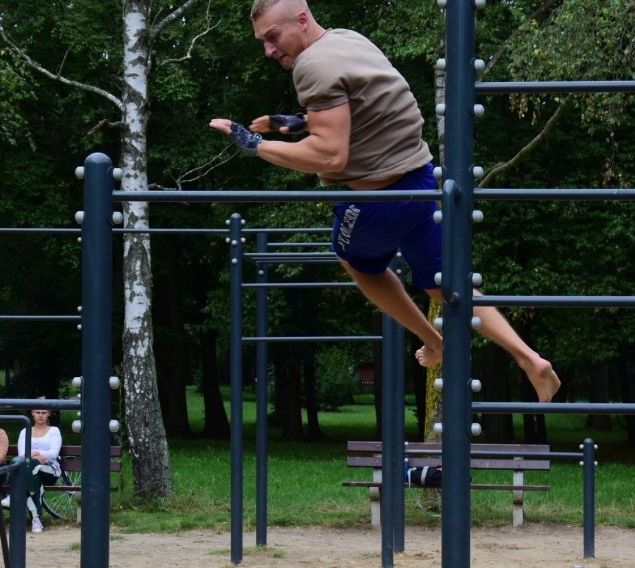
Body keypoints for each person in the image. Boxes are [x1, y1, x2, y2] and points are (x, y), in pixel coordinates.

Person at [209, 0, 560, 403]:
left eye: (273, 37)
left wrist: (256, 146)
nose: (269, 50)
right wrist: (298, 122)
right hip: (420, 180)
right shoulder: (348, 40)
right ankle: (530, 359)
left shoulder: (311, 66)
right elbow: (369, 103)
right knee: (444, 284)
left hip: (378, 197)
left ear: (302, 20)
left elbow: (330, 155)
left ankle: (435, 341)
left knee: (354, 259)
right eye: (262, 42)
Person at [0, 401, 62, 534]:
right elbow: (21, 454)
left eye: (44, 413)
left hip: (49, 470)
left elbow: (54, 453)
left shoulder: (54, 431)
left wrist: (33, 454)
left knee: (29, 465)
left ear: (48, 414)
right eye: (38, 412)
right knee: (33, 477)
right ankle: (36, 519)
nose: (40, 415)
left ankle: (13, 496)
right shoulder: (25, 431)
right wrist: (33, 456)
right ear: (32, 413)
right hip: (31, 471)